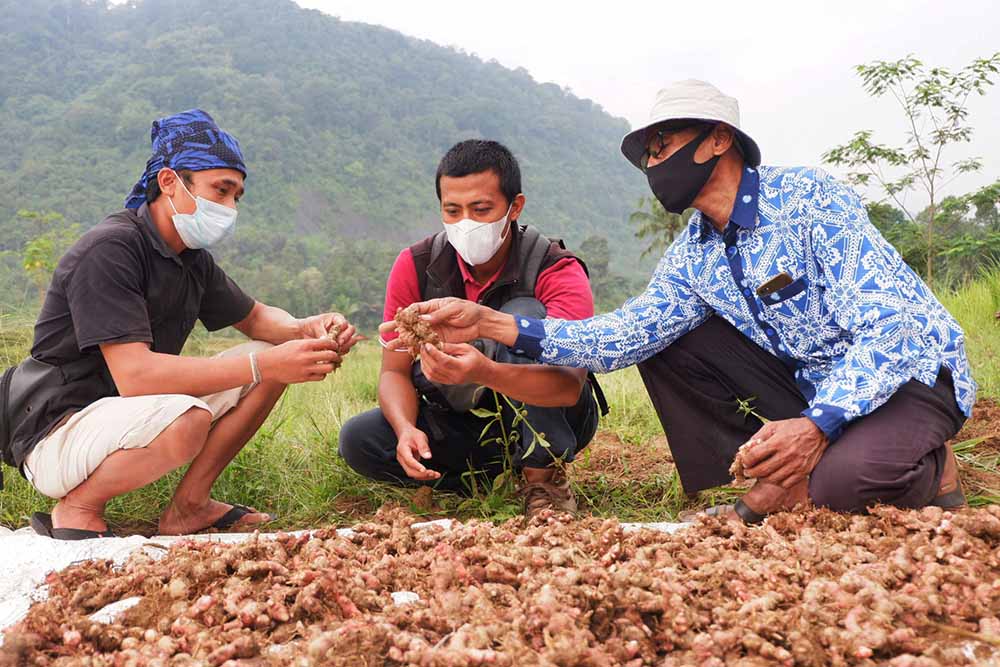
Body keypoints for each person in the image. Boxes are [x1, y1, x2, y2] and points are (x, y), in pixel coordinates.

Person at [398, 81, 976, 523]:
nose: (653, 163)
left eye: (663, 145)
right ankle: (782, 477)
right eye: (648, 152)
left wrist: (817, 425)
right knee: (669, 339)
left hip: (911, 377)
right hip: (813, 386)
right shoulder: (694, 252)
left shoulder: (806, 199)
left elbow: (892, 331)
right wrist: (490, 323)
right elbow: (622, 337)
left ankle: (911, 465)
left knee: (840, 491)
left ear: (718, 139)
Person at [0, 109, 359, 539]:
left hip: (126, 417)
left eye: (235, 197)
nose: (228, 207)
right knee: (195, 411)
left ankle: (190, 507)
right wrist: (266, 366)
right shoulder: (111, 249)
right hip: (57, 431)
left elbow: (257, 318)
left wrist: (309, 328)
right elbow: (134, 376)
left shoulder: (191, 259)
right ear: (169, 182)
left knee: (266, 357)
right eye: (220, 191)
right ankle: (76, 508)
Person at [339, 139, 603, 517]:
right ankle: (482, 478)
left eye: (481, 209)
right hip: (464, 420)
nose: (465, 222)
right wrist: (404, 429)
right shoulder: (416, 265)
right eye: (452, 210)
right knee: (360, 439)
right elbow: (394, 372)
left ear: (515, 207)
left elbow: (566, 386)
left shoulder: (554, 268)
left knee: (523, 315)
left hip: (554, 414)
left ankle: (542, 479)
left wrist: (486, 371)